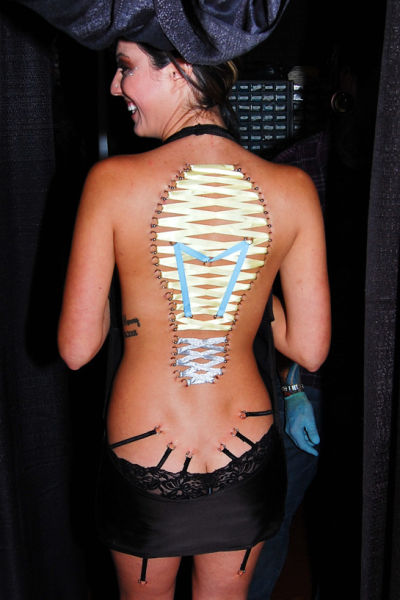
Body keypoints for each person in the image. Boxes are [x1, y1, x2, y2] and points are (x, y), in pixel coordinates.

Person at [58, 39, 330, 600]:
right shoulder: (292, 189)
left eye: (126, 68)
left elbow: (77, 348)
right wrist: (251, 285)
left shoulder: (112, 182)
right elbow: (309, 348)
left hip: (143, 450)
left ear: (180, 68)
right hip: (247, 449)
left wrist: (130, 280)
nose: (115, 86)